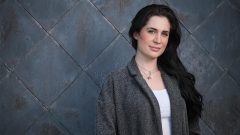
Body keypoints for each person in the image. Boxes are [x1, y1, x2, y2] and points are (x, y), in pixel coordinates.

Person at [95, 4, 203, 135]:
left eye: (164, 34)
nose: (158, 40)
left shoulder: (177, 79)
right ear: (136, 33)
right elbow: (105, 131)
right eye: (151, 31)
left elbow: (193, 129)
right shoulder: (116, 82)